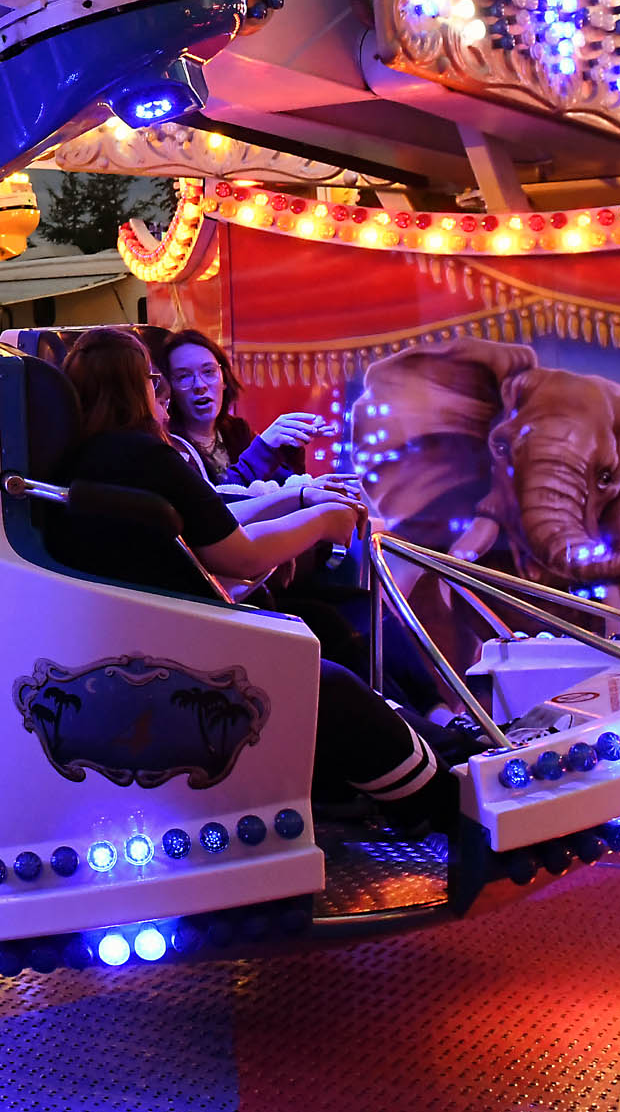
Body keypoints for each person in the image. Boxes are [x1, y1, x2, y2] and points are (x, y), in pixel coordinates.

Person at [57, 329, 449, 817]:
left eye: (207, 373)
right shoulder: (146, 455)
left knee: (328, 632)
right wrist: (321, 521)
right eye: (160, 380)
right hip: (185, 645)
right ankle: (448, 800)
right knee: (328, 680)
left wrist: (301, 501)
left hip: (141, 638)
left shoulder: (92, 457)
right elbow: (238, 555)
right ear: (135, 387)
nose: (169, 392)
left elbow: (215, 517)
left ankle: (437, 741)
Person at [161, 329, 331, 489]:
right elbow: (215, 501)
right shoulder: (169, 444)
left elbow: (282, 487)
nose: (199, 385)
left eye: (208, 371)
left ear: (224, 380)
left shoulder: (236, 429)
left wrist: (289, 445)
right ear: (168, 388)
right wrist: (264, 448)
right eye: (183, 376)